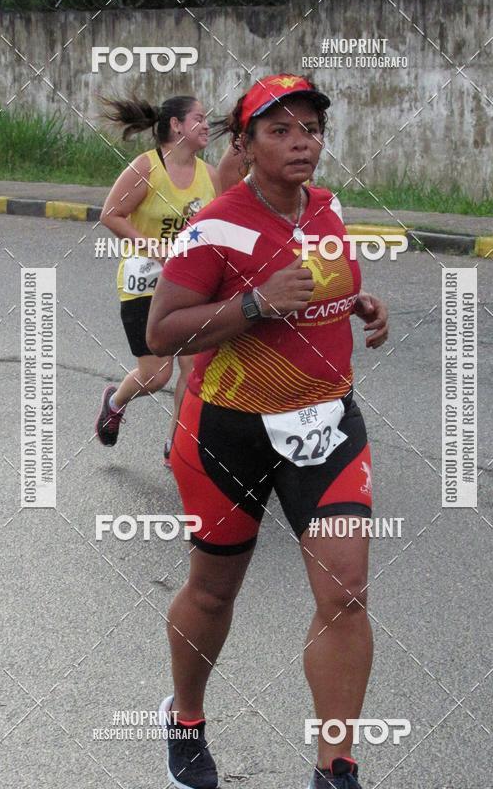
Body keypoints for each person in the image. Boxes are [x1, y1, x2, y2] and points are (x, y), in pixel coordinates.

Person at [147, 74, 389, 789]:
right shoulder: (214, 225)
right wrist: (251, 304)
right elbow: (163, 332)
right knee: (214, 592)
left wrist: (362, 304)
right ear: (245, 143)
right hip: (230, 429)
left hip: (326, 421)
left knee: (345, 592)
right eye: (280, 130)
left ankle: (335, 768)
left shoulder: (328, 206)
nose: (301, 143)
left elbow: (331, 278)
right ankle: (186, 714)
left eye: (310, 129)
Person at [95, 94, 221, 467]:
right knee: (157, 375)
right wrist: (157, 249)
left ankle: (176, 448)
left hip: (189, 287)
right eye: (199, 118)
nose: (206, 125)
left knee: (193, 367)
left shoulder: (210, 175)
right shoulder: (146, 167)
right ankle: (114, 402)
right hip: (143, 283)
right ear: (177, 125)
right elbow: (111, 214)